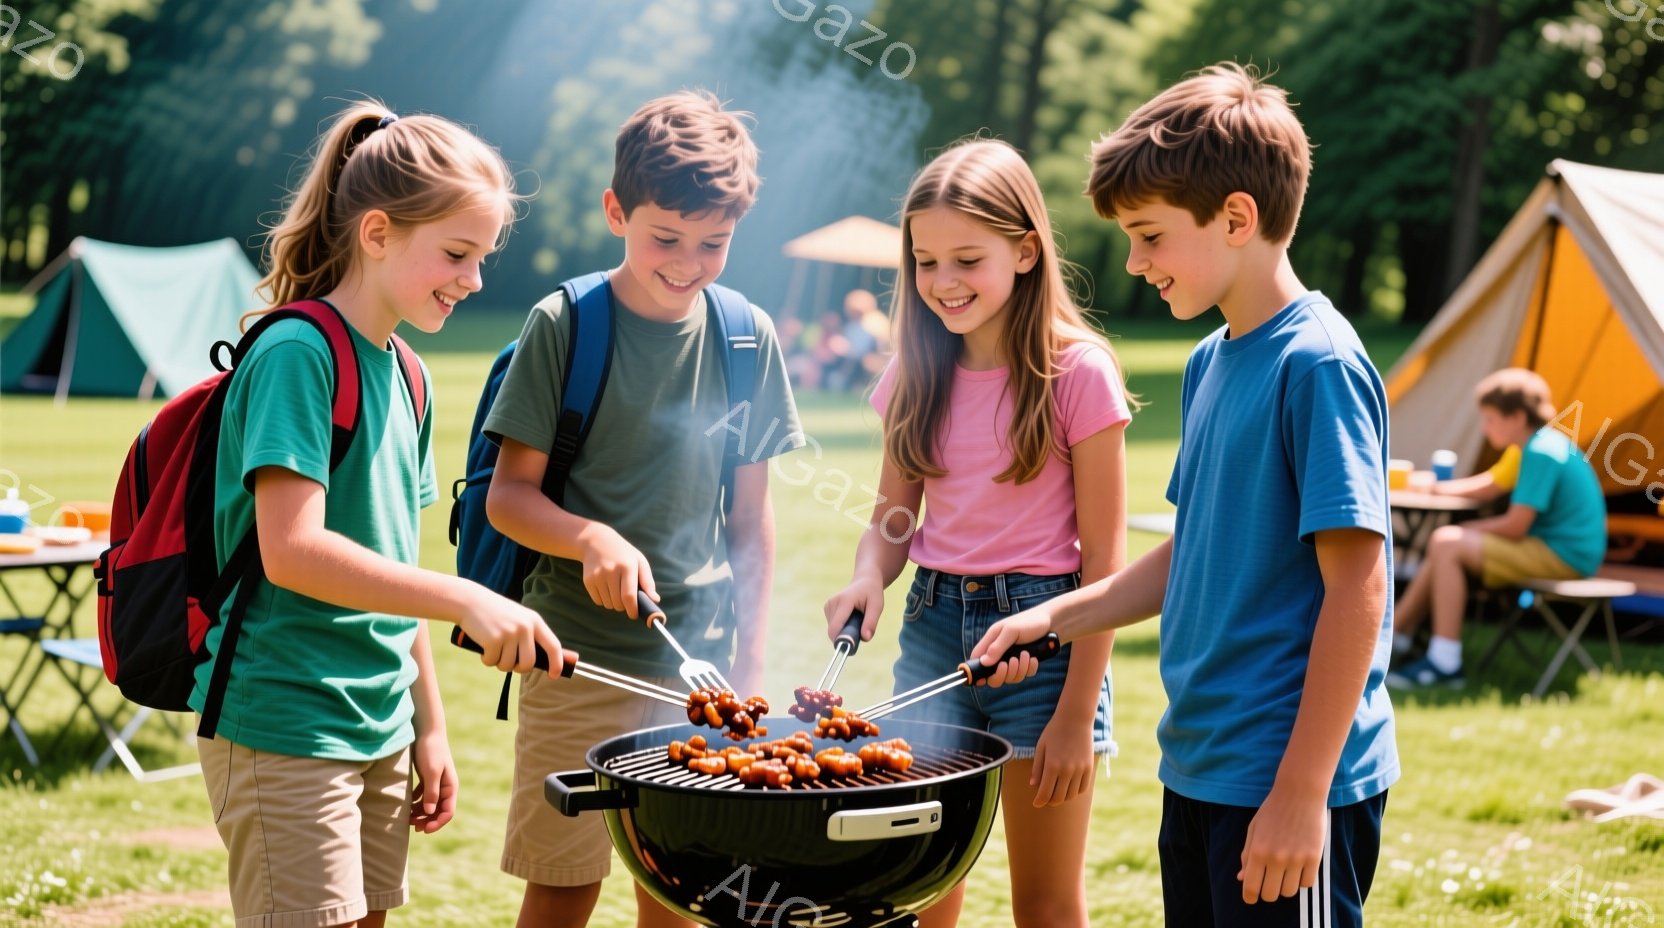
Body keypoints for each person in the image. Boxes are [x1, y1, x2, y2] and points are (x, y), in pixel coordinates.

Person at [969, 63, 1399, 927]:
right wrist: (1051, 619)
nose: (1134, 261)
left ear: (1237, 217)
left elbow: (1358, 586)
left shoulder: (1316, 362)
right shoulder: (1210, 362)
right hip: (1198, 768)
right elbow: (1192, 550)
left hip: (1281, 779)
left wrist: (1302, 792)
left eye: (1150, 236)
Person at [195, 101, 565, 928]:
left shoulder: (409, 373)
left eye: (481, 259)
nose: (474, 281)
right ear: (376, 234)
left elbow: (390, 567)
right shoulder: (300, 354)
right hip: (286, 718)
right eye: (458, 255)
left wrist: (427, 727)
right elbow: (292, 551)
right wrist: (466, 596)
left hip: (378, 726)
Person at [484, 90, 803, 928]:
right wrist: (590, 537)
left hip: (695, 672)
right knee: (562, 884)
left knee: (685, 892)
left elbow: (751, 523)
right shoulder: (566, 324)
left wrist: (753, 661)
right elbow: (508, 498)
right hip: (576, 664)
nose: (687, 261)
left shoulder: (746, 337)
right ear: (615, 210)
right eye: (665, 237)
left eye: (714, 243)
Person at [823, 138, 1132, 928]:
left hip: (1049, 643)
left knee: (1045, 903)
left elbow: (1105, 564)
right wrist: (868, 575)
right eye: (926, 263)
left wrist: (1074, 716)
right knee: (915, 886)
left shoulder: (1079, 373)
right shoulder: (912, 374)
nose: (944, 283)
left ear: (1025, 251)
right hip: (932, 631)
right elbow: (894, 520)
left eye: (968, 259)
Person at [1387, 368, 1606, 689]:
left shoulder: (1540, 453)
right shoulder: (1531, 446)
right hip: (1559, 549)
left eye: (1490, 419)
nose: (1484, 428)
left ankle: (1442, 662)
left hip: (1566, 556)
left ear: (1516, 417)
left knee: (1447, 543)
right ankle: (1398, 637)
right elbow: (1488, 486)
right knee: (1445, 544)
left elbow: (1517, 525)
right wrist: (1433, 488)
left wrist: (1469, 529)